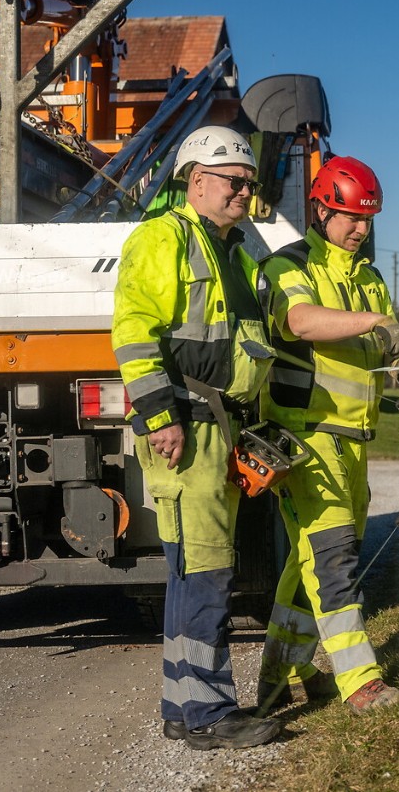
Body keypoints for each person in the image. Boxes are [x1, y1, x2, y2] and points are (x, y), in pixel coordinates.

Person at [113, 125, 281, 749]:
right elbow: (134, 331)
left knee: (193, 570)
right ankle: (210, 714)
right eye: (235, 182)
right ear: (196, 180)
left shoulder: (230, 246)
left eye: (249, 183)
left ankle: (183, 707)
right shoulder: (164, 238)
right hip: (187, 426)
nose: (245, 192)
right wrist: (161, 419)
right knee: (206, 570)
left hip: (216, 425)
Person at [255, 155, 399, 715]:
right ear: (321, 210)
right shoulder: (286, 266)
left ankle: (282, 672)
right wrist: (375, 324)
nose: (362, 230)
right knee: (334, 559)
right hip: (305, 439)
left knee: (309, 564)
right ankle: (360, 680)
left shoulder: (368, 278)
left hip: (355, 440)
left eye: (369, 219)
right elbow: (301, 322)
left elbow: (377, 355)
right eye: (351, 218)